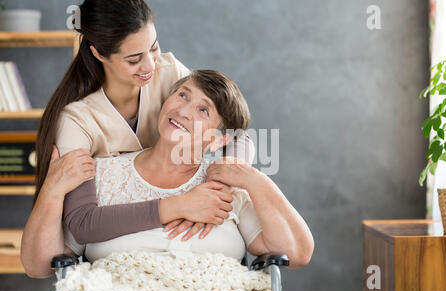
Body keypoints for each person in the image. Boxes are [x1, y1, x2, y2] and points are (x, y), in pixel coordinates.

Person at [21, 0, 254, 278]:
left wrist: (223, 182)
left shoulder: (169, 72)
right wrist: (181, 205)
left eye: (153, 47)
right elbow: (83, 223)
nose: (149, 65)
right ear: (98, 53)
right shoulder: (78, 121)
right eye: (133, 59)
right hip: (122, 238)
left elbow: (236, 132)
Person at [63, 70, 314, 268]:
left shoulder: (228, 188)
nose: (183, 111)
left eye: (203, 110)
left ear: (218, 140)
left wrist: (255, 180)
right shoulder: (104, 173)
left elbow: (297, 253)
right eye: (182, 95)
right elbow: (56, 255)